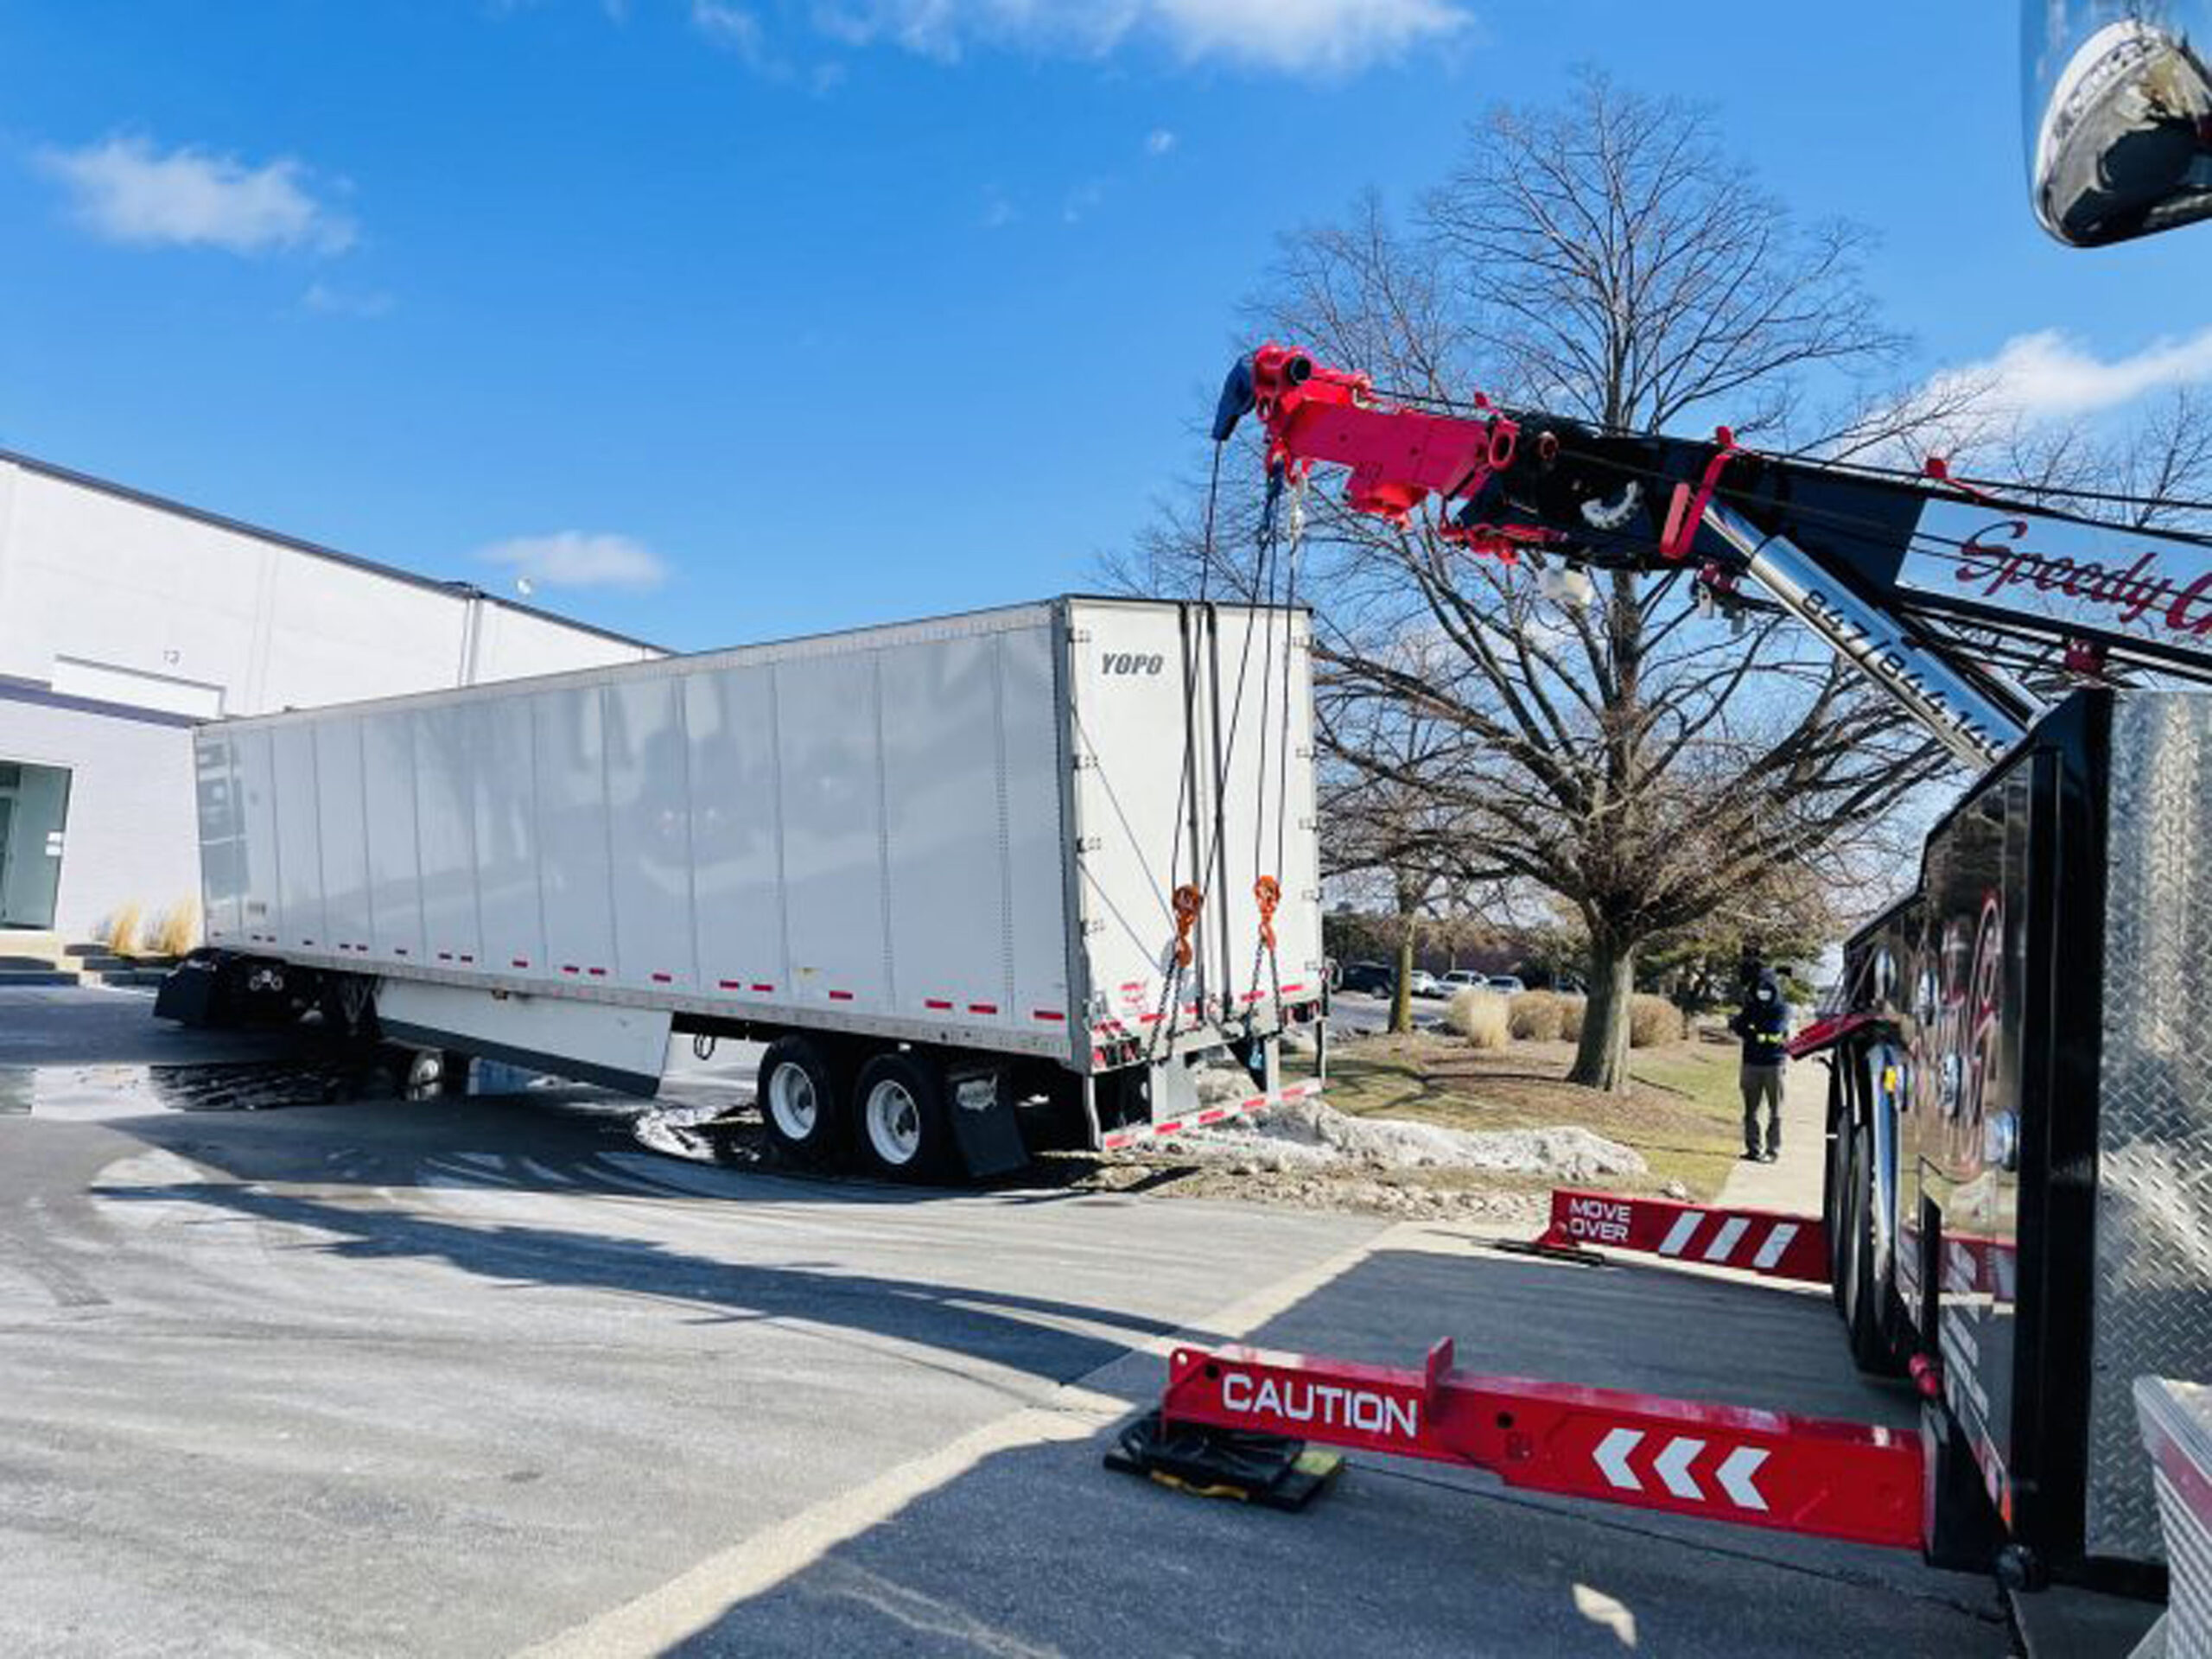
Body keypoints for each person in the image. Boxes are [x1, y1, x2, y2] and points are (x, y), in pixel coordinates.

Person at [1730, 969, 1790, 1161]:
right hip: (1751, 1064)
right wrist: (1751, 1031)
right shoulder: (1751, 1007)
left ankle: (1773, 1151)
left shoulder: (1782, 1009)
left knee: (1775, 1111)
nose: (1763, 992)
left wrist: (1752, 1031)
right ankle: (1753, 1149)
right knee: (1750, 1111)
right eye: (1760, 987)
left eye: (1768, 988)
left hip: (1774, 1064)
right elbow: (1738, 1025)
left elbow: (1773, 1033)